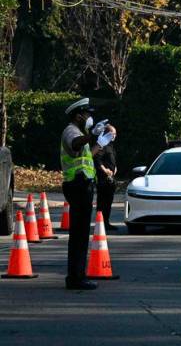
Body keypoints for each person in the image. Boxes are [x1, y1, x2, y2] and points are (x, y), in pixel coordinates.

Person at [60, 98, 115, 290]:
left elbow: (86, 155)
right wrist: (91, 135)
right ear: (78, 115)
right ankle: (76, 278)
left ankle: (77, 275)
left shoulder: (80, 132)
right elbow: (75, 144)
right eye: (87, 114)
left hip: (83, 185)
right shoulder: (71, 131)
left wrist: (100, 143)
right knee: (79, 234)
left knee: (81, 234)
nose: (90, 118)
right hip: (77, 185)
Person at [94, 125, 118, 231]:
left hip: (110, 179)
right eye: (113, 134)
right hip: (103, 179)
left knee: (109, 202)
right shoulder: (102, 145)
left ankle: (106, 222)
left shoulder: (111, 146)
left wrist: (115, 168)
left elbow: (111, 159)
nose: (114, 136)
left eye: (115, 134)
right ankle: (100, 223)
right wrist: (105, 170)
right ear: (107, 134)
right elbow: (98, 160)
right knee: (102, 202)